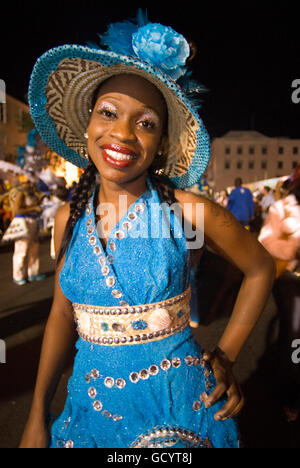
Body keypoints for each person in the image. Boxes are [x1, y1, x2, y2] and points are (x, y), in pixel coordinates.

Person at [20, 12, 275, 449]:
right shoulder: (68, 219)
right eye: (109, 113)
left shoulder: (188, 211)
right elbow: (62, 316)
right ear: (88, 126)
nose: (122, 133)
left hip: (181, 414)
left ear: (160, 143)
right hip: (88, 414)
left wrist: (228, 355)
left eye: (146, 123)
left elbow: (261, 268)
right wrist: (37, 415)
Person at [258, 167, 300, 422]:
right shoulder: (282, 208)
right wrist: (294, 247)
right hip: (292, 284)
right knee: (295, 339)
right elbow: (266, 243)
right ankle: (292, 397)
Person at [8, 178, 46, 285]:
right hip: (23, 222)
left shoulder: (31, 192)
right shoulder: (20, 192)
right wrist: (34, 208)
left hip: (32, 222)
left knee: (34, 248)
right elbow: (16, 211)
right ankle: (18, 275)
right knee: (21, 249)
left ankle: (33, 273)